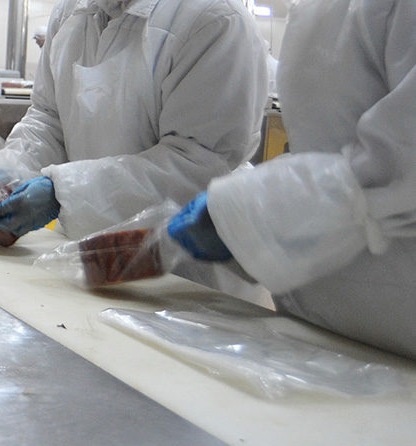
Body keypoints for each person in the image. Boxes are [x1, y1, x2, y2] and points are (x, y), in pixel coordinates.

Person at [167, 0, 416, 360]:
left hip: (398, 334)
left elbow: (400, 170)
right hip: (327, 331)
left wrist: (251, 213)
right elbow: (328, 143)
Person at [0, 0, 268, 243]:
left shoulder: (214, 19)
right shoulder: (72, 11)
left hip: (181, 270)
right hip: (80, 253)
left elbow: (197, 164)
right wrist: (7, 176)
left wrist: (64, 192)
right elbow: (49, 118)